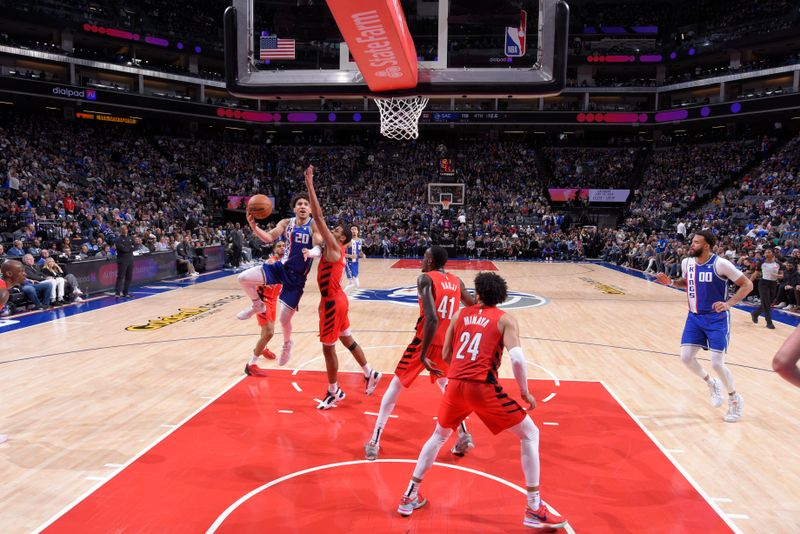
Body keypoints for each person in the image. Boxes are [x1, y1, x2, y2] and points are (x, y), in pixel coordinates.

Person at [397, 272, 567, 529]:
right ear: (501, 297)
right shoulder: (506, 320)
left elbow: (445, 353)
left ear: (478, 293)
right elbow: (518, 359)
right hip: (482, 388)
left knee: (439, 436)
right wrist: (524, 392)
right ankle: (533, 506)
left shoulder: (459, 315)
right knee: (530, 434)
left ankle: (409, 495)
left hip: (454, 385)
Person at [365, 245, 475, 460]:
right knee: (445, 386)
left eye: (424, 258)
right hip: (446, 344)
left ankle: (374, 441)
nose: (421, 261)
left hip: (425, 341)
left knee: (396, 385)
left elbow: (432, 318)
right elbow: (472, 306)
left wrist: (423, 354)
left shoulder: (424, 279)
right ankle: (463, 435)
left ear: (432, 261)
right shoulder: (457, 281)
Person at [303, 166, 382, 409]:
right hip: (336, 299)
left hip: (333, 302)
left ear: (342, 239)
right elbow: (316, 228)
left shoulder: (336, 248)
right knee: (347, 339)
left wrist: (310, 186)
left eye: (336, 231)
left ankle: (333, 391)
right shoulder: (334, 247)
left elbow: (318, 218)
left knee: (328, 348)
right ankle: (370, 372)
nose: (333, 231)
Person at [655, 230, 753, 422]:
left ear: (707, 245)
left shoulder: (720, 264)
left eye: (696, 242)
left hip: (716, 318)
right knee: (685, 358)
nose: (692, 245)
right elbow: (688, 283)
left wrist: (729, 303)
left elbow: (747, 284)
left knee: (717, 362)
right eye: (692, 241)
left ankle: (734, 399)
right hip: (694, 317)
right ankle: (711, 382)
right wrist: (672, 282)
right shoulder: (687, 263)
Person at [235, 165, 323, 366]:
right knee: (243, 278)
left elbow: (319, 246)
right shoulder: (286, 222)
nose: (302, 206)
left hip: (297, 277)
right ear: (294, 208)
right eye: (299, 203)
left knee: (284, 320)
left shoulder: (313, 225)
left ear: (310, 209)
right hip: (280, 268)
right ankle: (257, 304)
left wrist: (311, 252)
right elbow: (269, 238)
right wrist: (254, 226)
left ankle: (286, 344)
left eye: (305, 204)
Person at [244, 240, 286, 377]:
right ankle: (251, 365)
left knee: (266, 330)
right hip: (264, 299)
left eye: (284, 246)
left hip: (273, 300)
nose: (282, 248)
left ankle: (261, 348)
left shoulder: (285, 263)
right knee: (269, 332)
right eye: (279, 246)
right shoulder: (271, 262)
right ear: (274, 250)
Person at [750, 248, 780, 329]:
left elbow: (782, 274)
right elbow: (755, 274)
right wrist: (749, 283)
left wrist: (780, 276)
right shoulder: (761, 263)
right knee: (766, 303)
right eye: (765, 252)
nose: (767, 253)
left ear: (772, 254)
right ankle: (769, 322)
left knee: (768, 303)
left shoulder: (778, 264)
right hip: (763, 283)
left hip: (773, 284)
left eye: (769, 251)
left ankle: (755, 313)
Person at [344, 225, 366, 293]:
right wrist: (350, 256)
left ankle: (344, 295)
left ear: (358, 231)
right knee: (356, 284)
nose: (353, 231)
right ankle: (342, 293)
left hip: (356, 263)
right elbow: (341, 253)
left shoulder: (360, 241)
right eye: (352, 229)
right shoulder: (347, 241)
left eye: (355, 229)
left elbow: (359, 251)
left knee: (350, 281)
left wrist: (363, 255)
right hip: (349, 263)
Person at [115, 225, 134, 298]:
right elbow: (123, 249)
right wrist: (129, 248)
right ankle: (117, 292)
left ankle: (125, 292)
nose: (125, 230)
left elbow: (134, 247)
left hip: (130, 259)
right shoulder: (118, 239)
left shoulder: (130, 238)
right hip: (122, 260)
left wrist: (127, 248)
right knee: (120, 276)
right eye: (123, 229)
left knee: (129, 277)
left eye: (125, 229)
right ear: (121, 230)